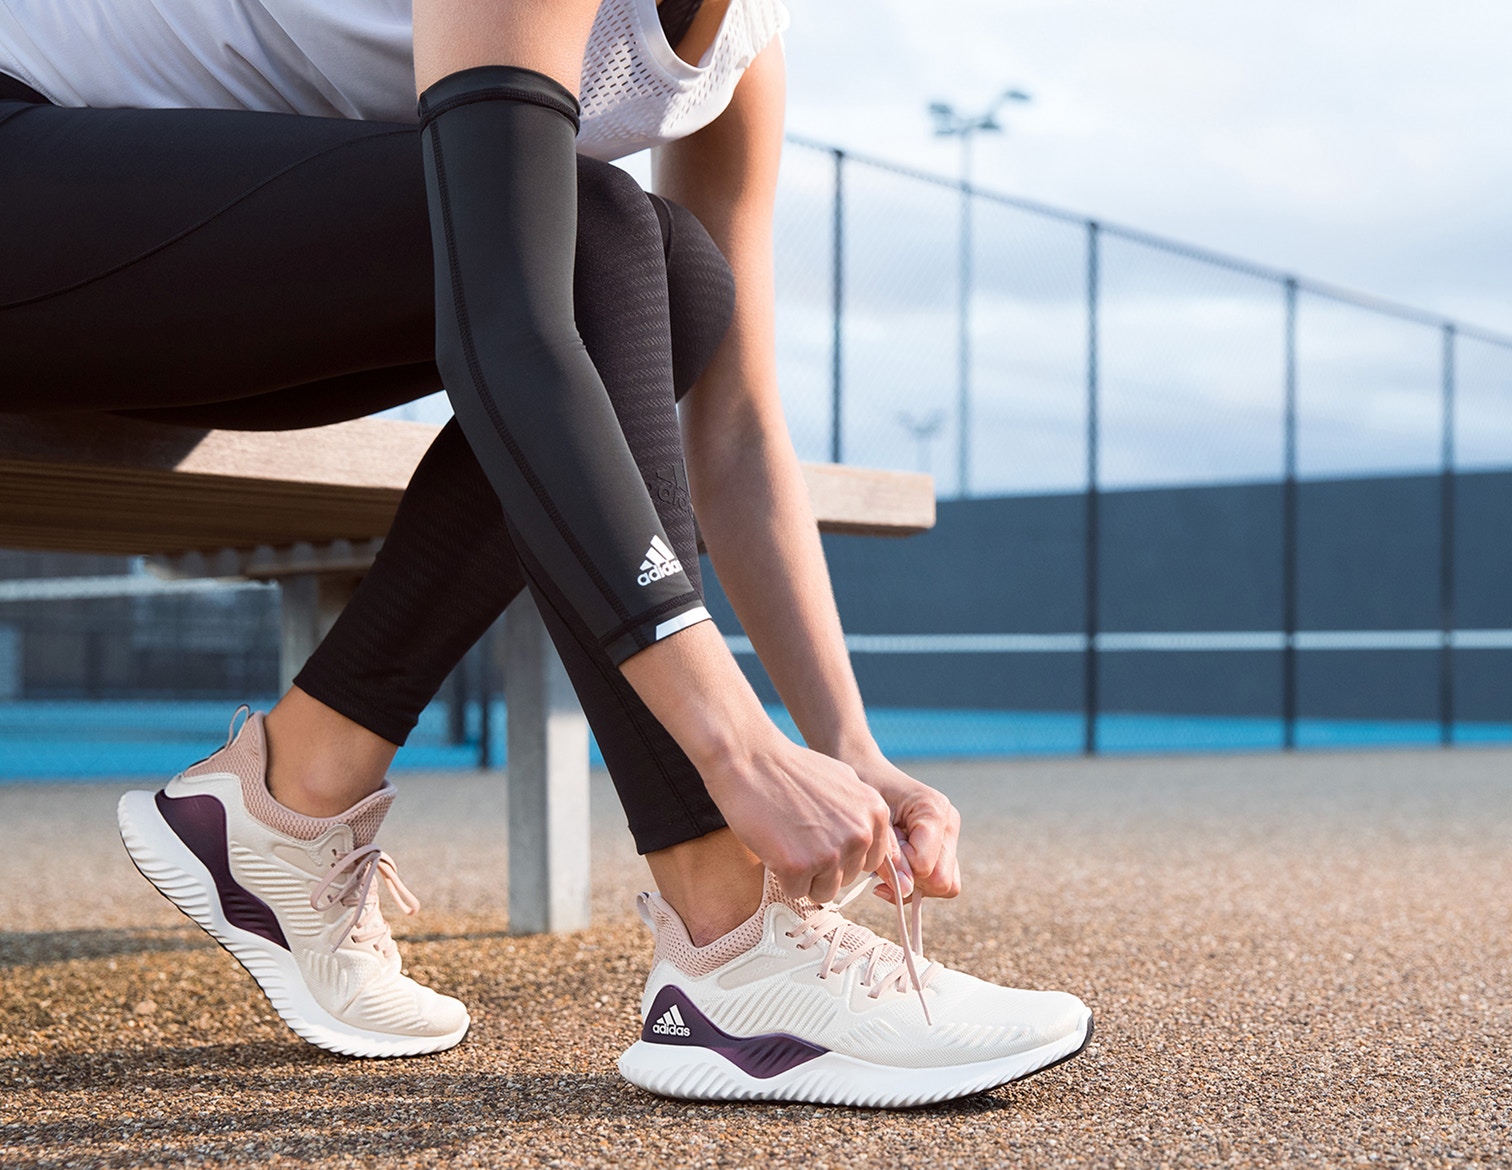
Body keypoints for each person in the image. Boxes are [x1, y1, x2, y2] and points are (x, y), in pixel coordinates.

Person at [0, 0, 1092, 1105]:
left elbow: (739, 426)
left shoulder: (745, 40)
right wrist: (737, 748)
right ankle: (729, 938)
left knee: (670, 273)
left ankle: (290, 793)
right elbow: (509, 323)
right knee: (591, 238)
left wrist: (848, 743)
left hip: (170, 278)